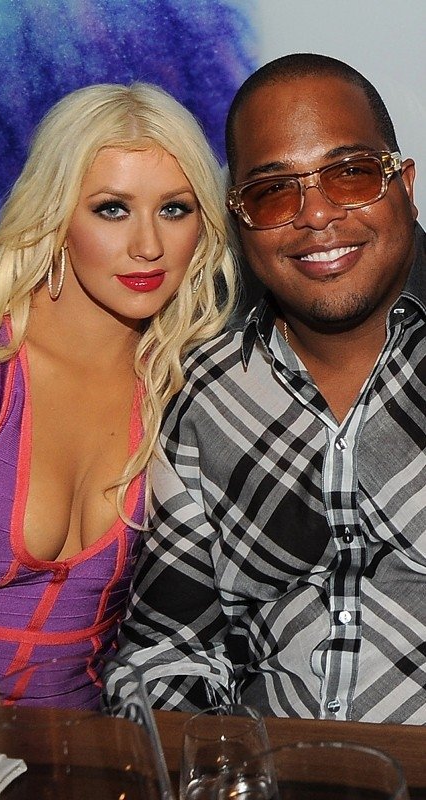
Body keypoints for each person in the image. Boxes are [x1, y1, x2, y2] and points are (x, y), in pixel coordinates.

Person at [114, 54, 426, 723]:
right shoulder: (205, 394)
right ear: (240, 222)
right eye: (273, 192)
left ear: (403, 184)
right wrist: (209, 763)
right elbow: (166, 650)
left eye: (350, 174)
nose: (316, 215)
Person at [0, 82, 236, 706]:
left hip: (95, 739)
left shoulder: (178, 383)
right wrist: (5, 750)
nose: (148, 246)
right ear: (57, 215)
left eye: (175, 209)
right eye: (112, 209)